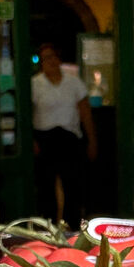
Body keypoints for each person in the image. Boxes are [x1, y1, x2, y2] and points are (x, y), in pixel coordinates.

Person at [31, 42, 97, 227]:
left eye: (52, 56)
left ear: (58, 59)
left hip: (69, 138)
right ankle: (47, 225)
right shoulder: (35, 84)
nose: (50, 61)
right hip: (45, 138)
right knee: (46, 185)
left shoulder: (73, 82)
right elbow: (26, 114)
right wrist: (32, 140)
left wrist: (92, 141)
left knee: (73, 184)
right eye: (45, 58)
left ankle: (72, 225)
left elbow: (85, 112)